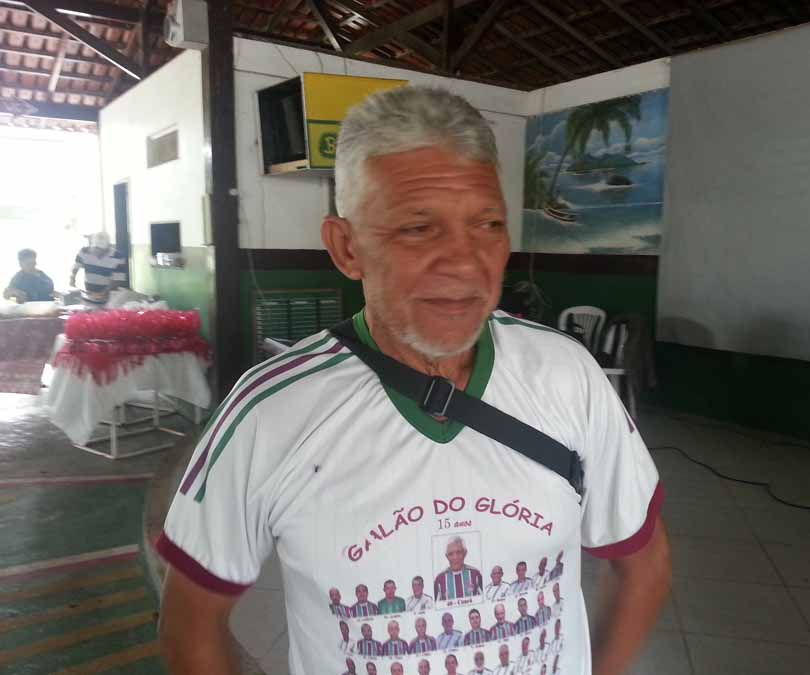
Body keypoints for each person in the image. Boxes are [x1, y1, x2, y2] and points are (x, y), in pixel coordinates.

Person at [156, 86, 670, 675]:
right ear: (346, 248)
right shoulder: (268, 412)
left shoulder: (567, 375)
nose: (465, 262)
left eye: (488, 224)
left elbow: (645, 565)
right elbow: (191, 623)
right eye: (418, 228)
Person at [69, 232, 126, 308]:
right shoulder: (84, 251)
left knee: (106, 311)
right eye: (96, 249)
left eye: (101, 250)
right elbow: (76, 267)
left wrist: (104, 292)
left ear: (108, 247)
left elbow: (118, 280)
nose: (98, 252)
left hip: (109, 293)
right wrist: (72, 279)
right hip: (89, 291)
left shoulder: (118, 256)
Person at [434, 536, 483, 601]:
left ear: (465, 553)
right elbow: (436, 604)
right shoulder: (439, 579)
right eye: (451, 554)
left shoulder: (475, 574)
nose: (455, 557)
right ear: (447, 556)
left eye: (458, 552)